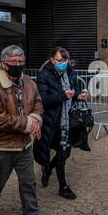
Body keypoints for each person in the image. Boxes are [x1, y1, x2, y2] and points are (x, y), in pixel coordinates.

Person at [0, 45, 54, 215]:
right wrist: (28, 123)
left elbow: (38, 102)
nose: (18, 65)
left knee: (28, 184)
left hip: (24, 146)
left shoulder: (29, 82)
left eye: (21, 61)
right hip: (0, 147)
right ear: (4, 64)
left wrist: (36, 119)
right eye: (14, 62)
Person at [33, 47, 87, 200]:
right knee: (61, 152)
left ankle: (48, 168)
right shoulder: (44, 75)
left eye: (65, 60)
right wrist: (63, 96)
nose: (63, 63)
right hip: (52, 121)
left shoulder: (70, 71)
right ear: (52, 60)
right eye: (59, 61)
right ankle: (63, 187)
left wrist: (78, 95)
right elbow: (43, 99)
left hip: (67, 119)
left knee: (66, 152)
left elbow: (75, 90)